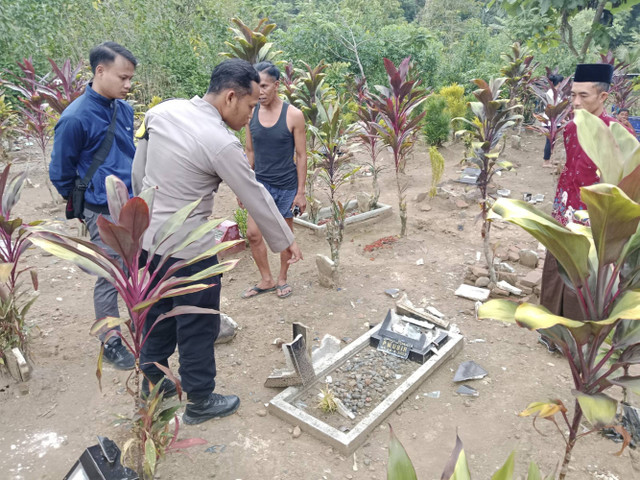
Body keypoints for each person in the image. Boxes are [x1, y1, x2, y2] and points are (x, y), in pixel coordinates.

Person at [131, 59, 303, 425]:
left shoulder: (161, 112)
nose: (252, 114)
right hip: (191, 250)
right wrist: (285, 240)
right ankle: (199, 401)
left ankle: (153, 390)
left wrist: (145, 223)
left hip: (149, 243)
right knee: (197, 323)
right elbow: (254, 194)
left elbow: (137, 173)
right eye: (251, 105)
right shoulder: (221, 142)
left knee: (157, 317)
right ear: (230, 97)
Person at [49, 42, 137, 370]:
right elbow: (60, 172)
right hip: (99, 209)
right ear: (100, 71)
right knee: (110, 273)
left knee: (134, 265)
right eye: (123, 77)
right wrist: (82, 206)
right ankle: (111, 339)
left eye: (130, 78)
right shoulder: (75, 118)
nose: (128, 84)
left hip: (130, 204)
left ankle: (138, 319)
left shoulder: (123, 110)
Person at [540, 63, 634, 350]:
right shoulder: (570, 127)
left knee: (583, 277)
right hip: (564, 209)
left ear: (604, 97)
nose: (576, 102)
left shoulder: (617, 133)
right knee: (556, 268)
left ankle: (576, 340)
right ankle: (549, 331)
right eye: (573, 96)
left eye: (584, 96)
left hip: (596, 217)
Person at [241, 61, 307, 300]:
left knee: (283, 237)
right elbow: (249, 151)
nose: (260, 92)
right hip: (259, 185)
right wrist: (242, 186)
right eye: (257, 86)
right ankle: (266, 279)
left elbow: (301, 155)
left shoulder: (294, 115)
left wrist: (301, 191)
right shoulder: (250, 113)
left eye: (265, 86)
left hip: (286, 186)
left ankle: (282, 278)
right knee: (253, 234)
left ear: (277, 85)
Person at [542, 73, 564, 168]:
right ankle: (546, 162)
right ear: (559, 83)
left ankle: (550, 159)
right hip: (550, 121)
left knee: (553, 141)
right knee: (549, 141)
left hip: (555, 121)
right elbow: (553, 108)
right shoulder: (551, 93)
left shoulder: (556, 93)